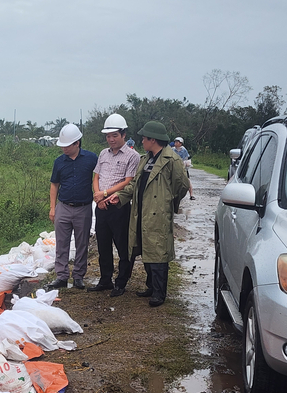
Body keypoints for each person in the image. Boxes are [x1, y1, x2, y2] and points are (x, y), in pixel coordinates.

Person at [106, 121, 189, 306]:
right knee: (146, 248)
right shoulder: (146, 159)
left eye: (144, 138)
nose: (142, 141)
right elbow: (135, 184)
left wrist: (167, 201)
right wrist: (119, 196)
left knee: (158, 251)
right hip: (141, 211)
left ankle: (159, 293)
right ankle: (151, 286)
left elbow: (181, 185)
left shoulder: (171, 160)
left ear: (153, 139)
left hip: (157, 213)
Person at [89, 113, 140, 297]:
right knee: (103, 245)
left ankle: (121, 282)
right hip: (101, 206)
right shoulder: (103, 153)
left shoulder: (132, 156)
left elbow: (128, 181)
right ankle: (105, 279)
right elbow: (96, 176)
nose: (111, 139)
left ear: (124, 134)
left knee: (122, 246)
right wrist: (98, 197)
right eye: (108, 136)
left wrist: (105, 194)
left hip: (118, 206)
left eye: (115, 136)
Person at [47, 123, 98, 290]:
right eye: (62, 146)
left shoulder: (91, 159)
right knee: (61, 243)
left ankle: (78, 276)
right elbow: (54, 185)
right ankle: (61, 276)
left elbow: (98, 178)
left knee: (82, 243)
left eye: (67, 146)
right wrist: (53, 208)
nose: (64, 149)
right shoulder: (59, 162)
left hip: (83, 207)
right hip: (64, 206)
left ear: (77, 143)